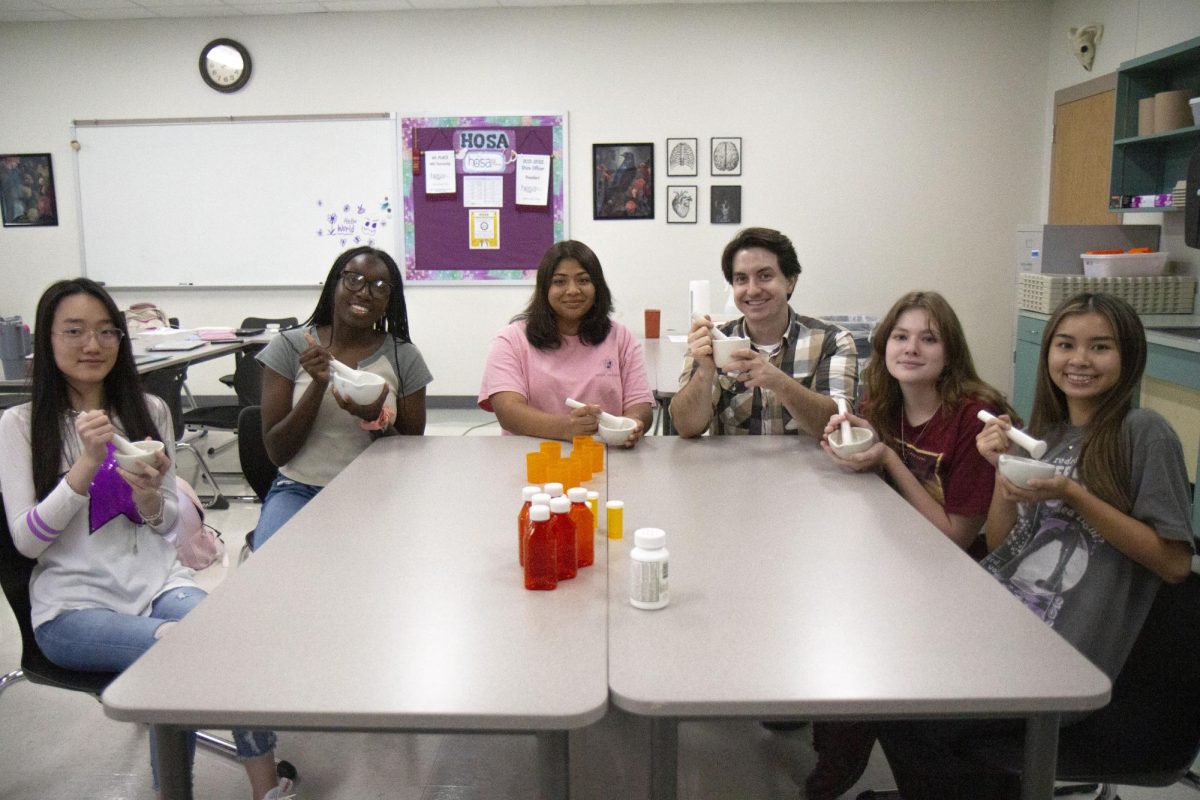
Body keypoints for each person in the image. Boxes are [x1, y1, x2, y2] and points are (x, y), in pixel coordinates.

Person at [872, 292, 1195, 800]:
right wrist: (1001, 472)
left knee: (916, 719)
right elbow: (1005, 543)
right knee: (888, 688)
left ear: (1128, 356)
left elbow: (1175, 563)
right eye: (1065, 345)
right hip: (1009, 633)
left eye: (1100, 347)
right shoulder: (1046, 435)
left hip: (1065, 659)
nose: (1080, 360)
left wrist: (1072, 493)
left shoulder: (1144, 433)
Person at [0, 278, 291, 800]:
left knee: (229, 634)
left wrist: (152, 500)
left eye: (107, 331)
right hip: (70, 609)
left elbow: (169, 525)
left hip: (157, 585)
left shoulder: (149, 413)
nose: (93, 345)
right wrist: (85, 468)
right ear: (46, 340)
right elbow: (24, 542)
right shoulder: (19, 426)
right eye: (74, 331)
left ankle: (267, 789)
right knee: (174, 655)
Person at [805, 291, 1018, 800]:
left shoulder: (976, 419)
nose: (911, 349)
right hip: (899, 566)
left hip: (964, 586)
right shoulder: (882, 400)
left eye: (929, 338)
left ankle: (840, 763)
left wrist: (884, 459)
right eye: (900, 336)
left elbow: (955, 538)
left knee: (862, 648)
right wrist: (849, 438)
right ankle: (833, 749)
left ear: (951, 352)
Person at [252, 246, 431, 550]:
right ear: (334, 284)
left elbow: (410, 457)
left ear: (389, 302)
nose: (364, 293)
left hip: (377, 492)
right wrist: (318, 385)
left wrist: (375, 420)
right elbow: (277, 452)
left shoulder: (404, 357)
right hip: (299, 489)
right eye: (353, 279)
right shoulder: (290, 347)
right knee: (272, 575)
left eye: (379, 287)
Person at [669, 227, 857, 437]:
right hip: (731, 468)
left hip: (810, 469)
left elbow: (839, 427)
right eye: (741, 279)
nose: (752, 290)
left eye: (765, 276)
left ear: (790, 280)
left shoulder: (832, 341)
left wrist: (777, 381)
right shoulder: (713, 341)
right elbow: (685, 427)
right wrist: (704, 372)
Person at [478, 239, 654, 446]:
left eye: (583, 280)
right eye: (559, 281)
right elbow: (508, 411)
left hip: (604, 457)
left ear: (597, 287)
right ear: (544, 289)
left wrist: (633, 423)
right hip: (532, 458)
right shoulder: (510, 340)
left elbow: (640, 404)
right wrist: (566, 428)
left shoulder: (621, 338)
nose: (572, 290)